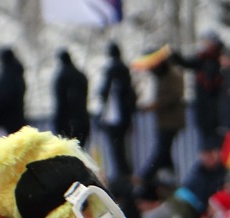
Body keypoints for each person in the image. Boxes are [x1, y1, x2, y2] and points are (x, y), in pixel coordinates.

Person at [133, 46, 186, 182]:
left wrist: (156, 105)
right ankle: (169, 179)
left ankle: (144, 176)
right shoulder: (162, 75)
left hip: (172, 120)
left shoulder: (173, 74)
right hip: (165, 120)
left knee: (162, 150)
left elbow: (175, 95)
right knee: (165, 153)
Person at [173, 30, 224, 145]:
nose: (204, 45)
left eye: (206, 42)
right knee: (207, 144)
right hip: (204, 109)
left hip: (216, 111)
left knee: (217, 143)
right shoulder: (203, 59)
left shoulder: (220, 59)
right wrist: (173, 55)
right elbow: (186, 63)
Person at [98, 42, 137, 178]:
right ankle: (126, 173)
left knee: (116, 149)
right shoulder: (124, 69)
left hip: (113, 116)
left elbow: (103, 91)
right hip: (124, 115)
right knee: (123, 148)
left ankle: (121, 176)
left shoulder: (110, 68)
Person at [53, 49, 91, 146]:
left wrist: (58, 126)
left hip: (68, 124)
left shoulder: (61, 77)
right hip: (83, 121)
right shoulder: (81, 76)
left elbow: (60, 103)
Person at [0, 47, 26, 134]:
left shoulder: (7, 75)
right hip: (17, 117)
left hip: (8, 120)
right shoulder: (17, 73)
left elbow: (4, 98)